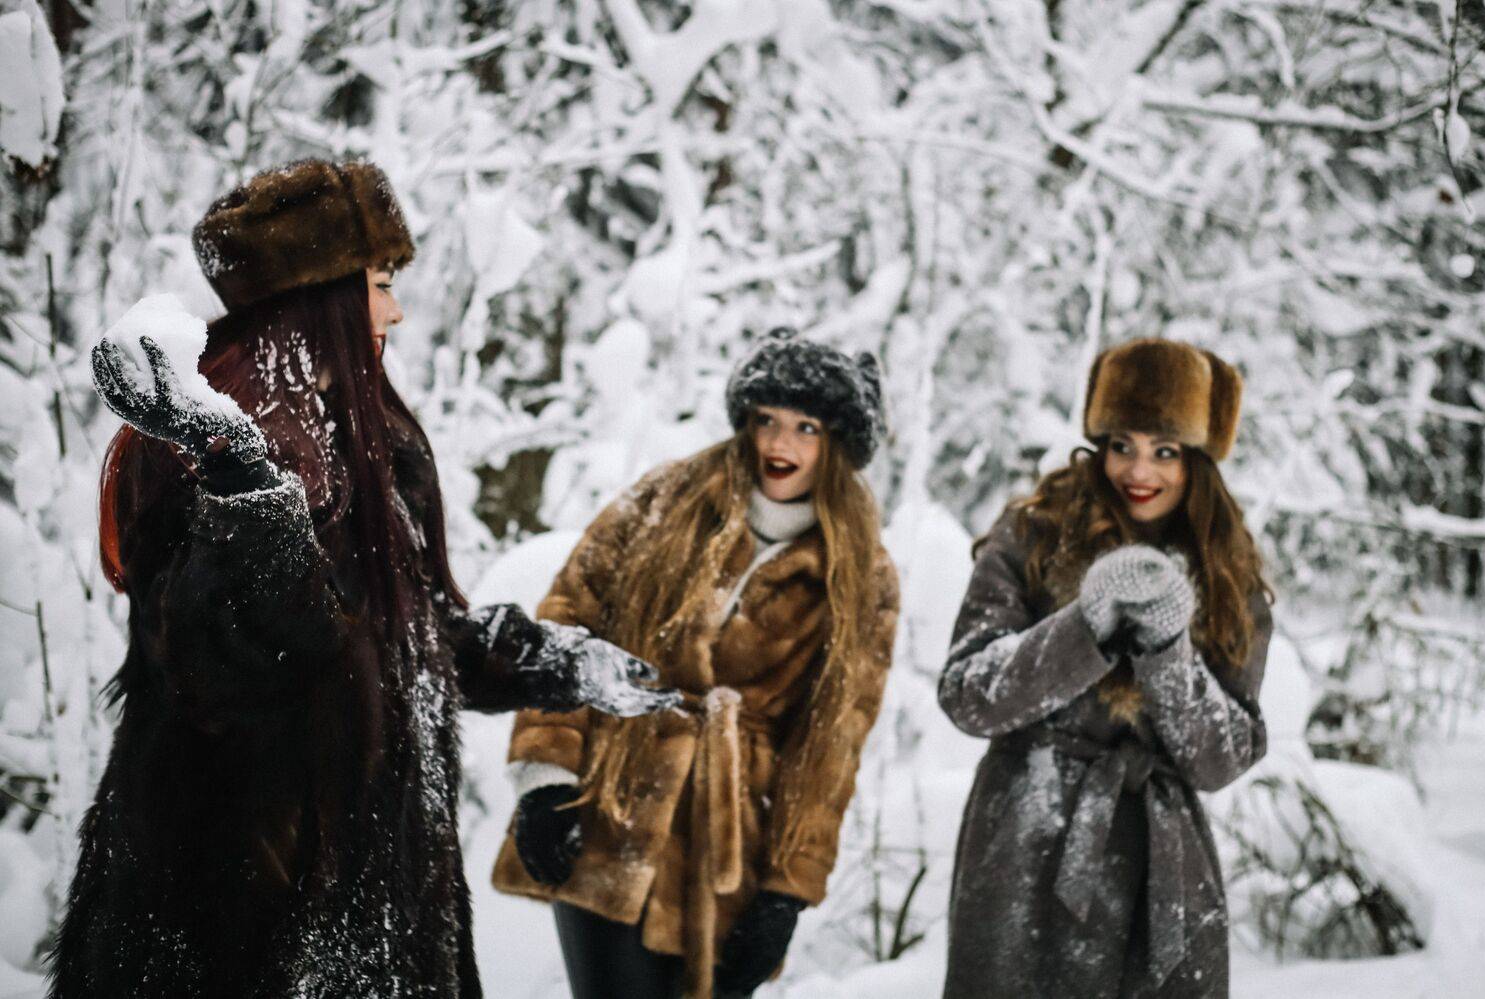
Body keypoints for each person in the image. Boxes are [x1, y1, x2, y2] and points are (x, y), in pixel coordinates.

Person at [49, 159, 678, 999]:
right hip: (248, 942)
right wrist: (242, 482)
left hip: (378, 922)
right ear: (320, 298)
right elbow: (237, 660)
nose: (395, 310)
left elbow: (394, 637)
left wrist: (548, 661)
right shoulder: (208, 455)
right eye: (379, 284)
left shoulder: (363, 443)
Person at [490, 329, 901, 998]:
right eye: (767, 419)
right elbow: (568, 620)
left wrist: (787, 891)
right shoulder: (669, 495)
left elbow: (831, 742)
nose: (780, 443)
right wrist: (545, 775)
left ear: (838, 444)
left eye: (806, 428)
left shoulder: (862, 573)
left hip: (727, 845)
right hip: (611, 803)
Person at [938, 338, 1274, 998]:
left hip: (1162, 864)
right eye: (1123, 444)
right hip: (1028, 841)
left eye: (1165, 450)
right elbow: (968, 693)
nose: (1139, 470)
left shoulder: (1229, 576)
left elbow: (1222, 757)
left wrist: (1168, 649)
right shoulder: (1033, 534)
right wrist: (1083, 626)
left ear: (1198, 459)